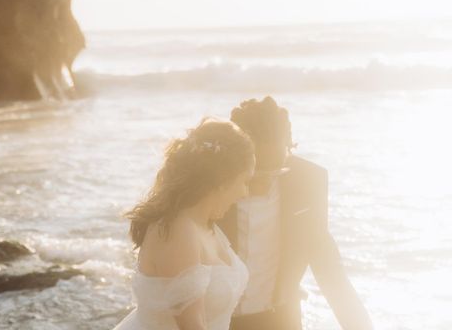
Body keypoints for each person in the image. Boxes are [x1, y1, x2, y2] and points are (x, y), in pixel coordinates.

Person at [218, 96, 373, 330]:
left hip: (281, 320)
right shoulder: (210, 183)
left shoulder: (309, 181)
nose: (265, 180)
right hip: (215, 321)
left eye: (276, 170)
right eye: (257, 171)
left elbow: (328, 266)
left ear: (289, 146)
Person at [114, 118, 256, 330]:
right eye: (244, 181)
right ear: (222, 180)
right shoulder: (176, 230)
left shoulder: (207, 226)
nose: (245, 193)